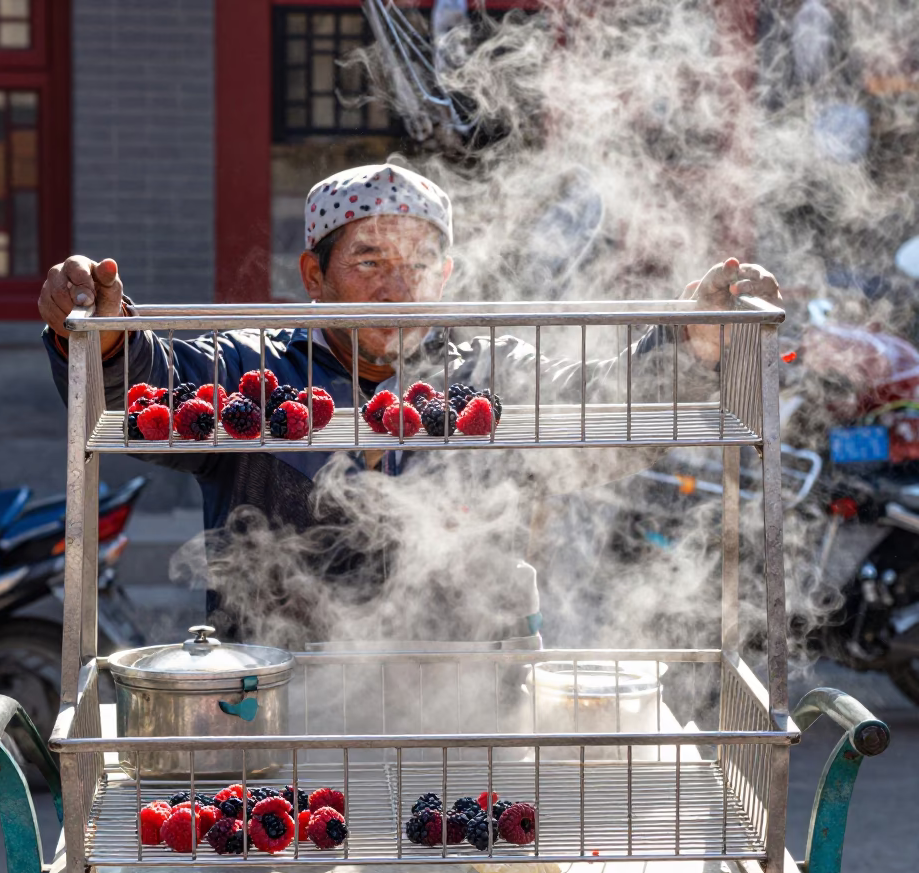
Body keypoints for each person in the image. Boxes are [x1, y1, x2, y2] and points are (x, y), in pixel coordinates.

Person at [38, 163, 781, 644]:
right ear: (315, 275)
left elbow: (596, 411)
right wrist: (105, 336)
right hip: (282, 708)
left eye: (420, 263)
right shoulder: (250, 367)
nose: (398, 288)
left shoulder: (488, 369)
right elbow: (150, 388)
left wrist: (690, 345)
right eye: (368, 261)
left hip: (469, 698)